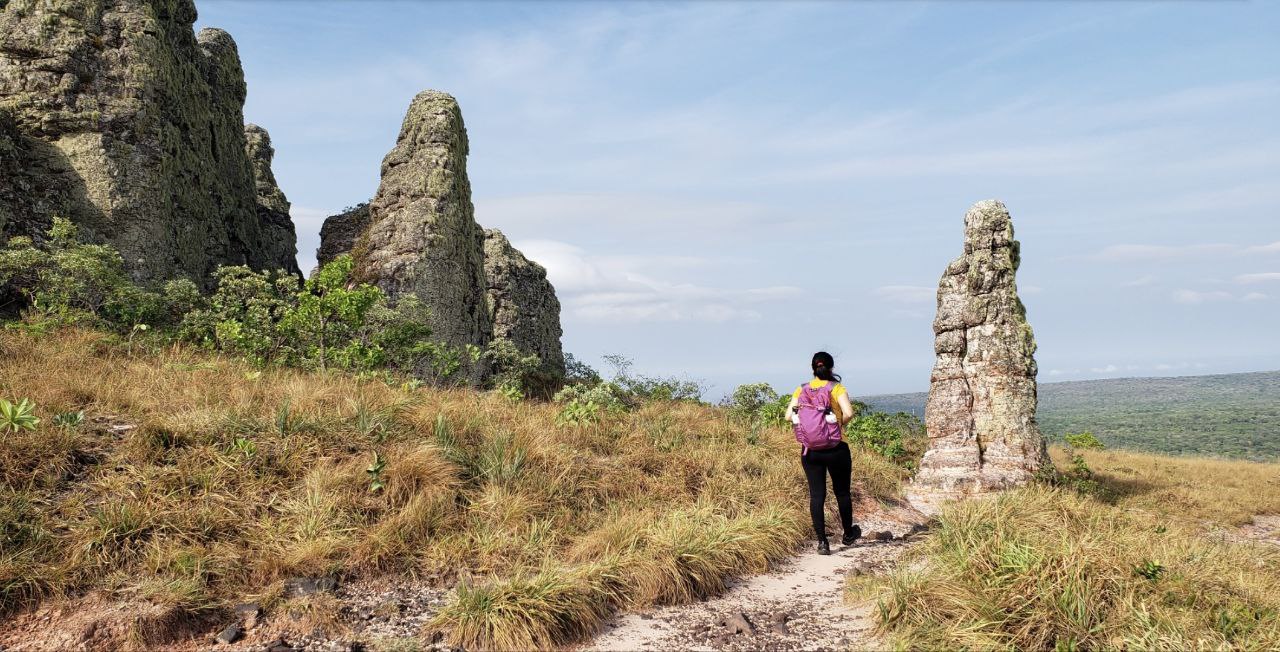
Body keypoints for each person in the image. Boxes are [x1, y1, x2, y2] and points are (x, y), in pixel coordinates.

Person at [786, 351, 861, 555]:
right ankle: (848, 534)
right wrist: (837, 425)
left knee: (817, 495)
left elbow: (788, 416)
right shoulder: (836, 388)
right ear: (831, 368)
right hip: (837, 448)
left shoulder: (802, 389)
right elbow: (849, 413)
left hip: (810, 451)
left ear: (813, 369)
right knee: (842, 492)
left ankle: (822, 543)